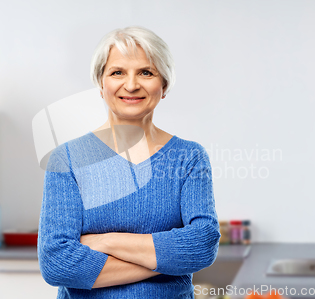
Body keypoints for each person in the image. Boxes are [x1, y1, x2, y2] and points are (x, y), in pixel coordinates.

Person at [38, 26, 220, 299]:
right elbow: (57, 264)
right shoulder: (68, 160)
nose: (132, 84)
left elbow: (202, 245)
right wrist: (167, 260)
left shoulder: (188, 157)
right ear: (101, 84)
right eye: (117, 72)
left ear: (164, 85)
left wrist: (104, 242)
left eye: (146, 72)